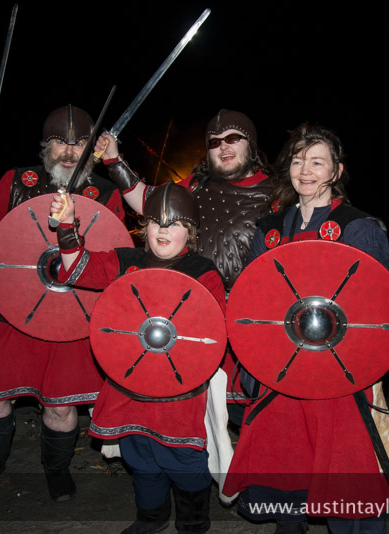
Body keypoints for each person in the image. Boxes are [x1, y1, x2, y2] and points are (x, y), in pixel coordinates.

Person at [222, 124, 389, 533]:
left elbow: (371, 311)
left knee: (343, 467)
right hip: (281, 368)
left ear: (336, 171)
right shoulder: (269, 230)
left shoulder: (359, 227)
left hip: (336, 370)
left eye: (317, 162)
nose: (306, 171)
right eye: (299, 161)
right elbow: (256, 301)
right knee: (287, 457)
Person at [0, 104, 125, 502]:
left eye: (78, 143)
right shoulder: (16, 181)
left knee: (60, 405)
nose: (68, 151)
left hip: (72, 315)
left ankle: (56, 471)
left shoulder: (105, 192)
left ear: (90, 150)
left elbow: (110, 259)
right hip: (14, 308)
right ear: (45, 147)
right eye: (60, 142)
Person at [50, 184, 225, 534]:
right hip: (128, 383)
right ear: (144, 226)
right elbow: (77, 270)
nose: (163, 230)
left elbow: (210, 334)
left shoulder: (203, 271)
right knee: (140, 453)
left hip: (179, 388)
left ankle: (193, 522)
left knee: (183, 456)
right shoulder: (126, 261)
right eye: (157, 222)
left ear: (189, 232)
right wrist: (67, 227)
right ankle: (152, 518)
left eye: (174, 224)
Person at [95, 109, 275, 416]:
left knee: (253, 410)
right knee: (196, 409)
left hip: (252, 316)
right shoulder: (195, 186)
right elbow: (150, 201)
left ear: (251, 144)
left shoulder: (279, 193)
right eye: (215, 142)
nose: (224, 147)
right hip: (192, 313)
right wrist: (114, 160)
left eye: (233, 138)